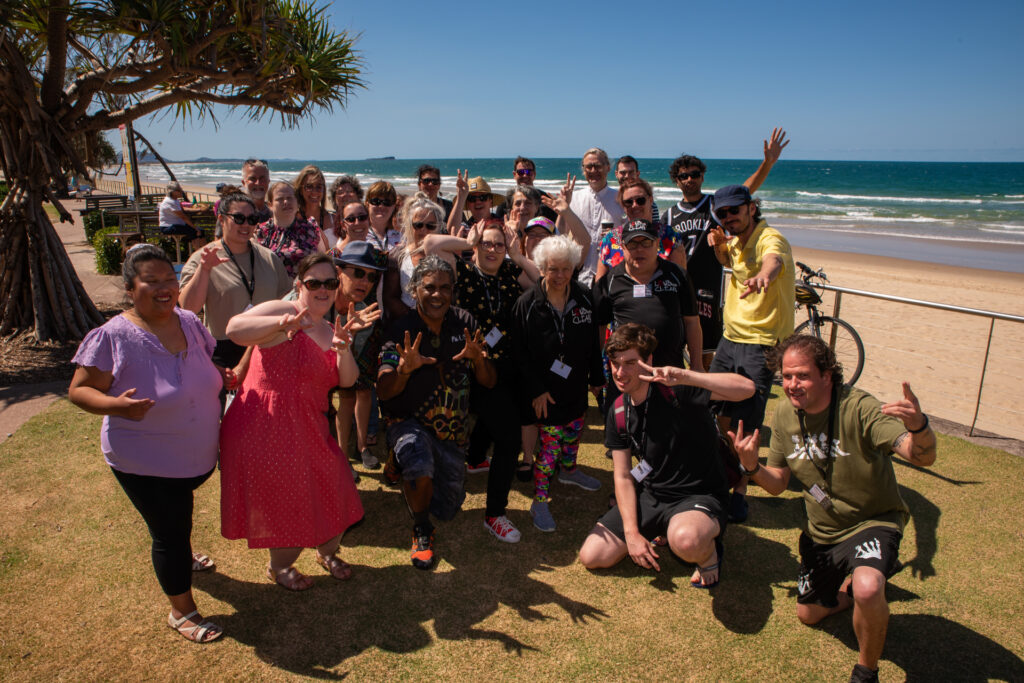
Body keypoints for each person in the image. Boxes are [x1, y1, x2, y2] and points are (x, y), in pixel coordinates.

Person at [732, 334, 937, 683]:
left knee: (871, 586)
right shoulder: (783, 413)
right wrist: (752, 467)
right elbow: (779, 483)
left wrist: (919, 427)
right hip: (823, 530)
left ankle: (866, 671)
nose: (793, 385)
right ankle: (852, 590)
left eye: (803, 375)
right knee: (809, 613)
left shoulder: (858, 408)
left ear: (827, 375)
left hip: (873, 520)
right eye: (787, 376)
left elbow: (922, 455)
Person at [68, 244, 230, 643]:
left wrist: (223, 376)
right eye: (151, 282)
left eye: (169, 280)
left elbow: (205, 364)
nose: (164, 289)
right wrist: (116, 406)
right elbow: (79, 390)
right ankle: (182, 612)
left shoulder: (189, 321)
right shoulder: (113, 336)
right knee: (170, 532)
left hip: (192, 456)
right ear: (129, 288)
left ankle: (183, 555)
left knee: (177, 516)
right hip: (144, 459)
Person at [220, 253, 373, 591]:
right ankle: (281, 566)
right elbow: (234, 329)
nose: (323, 289)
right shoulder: (285, 310)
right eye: (314, 282)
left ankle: (326, 551)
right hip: (266, 423)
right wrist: (281, 326)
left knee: (337, 484)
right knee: (287, 497)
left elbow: (347, 382)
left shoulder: (330, 328)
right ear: (299, 284)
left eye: (330, 283)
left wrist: (344, 349)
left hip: (309, 424)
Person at [577, 323, 754, 587]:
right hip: (653, 495)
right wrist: (633, 534)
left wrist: (688, 375)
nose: (620, 372)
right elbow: (624, 476)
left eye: (630, 362)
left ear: (649, 360)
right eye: (615, 363)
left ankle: (709, 554)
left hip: (699, 494)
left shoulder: (678, 389)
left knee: (686, 540)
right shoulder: (618, 410)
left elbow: (746, 388)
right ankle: (662, 530)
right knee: (592, 555)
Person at [424, 218, 539, 542]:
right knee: (508, 438)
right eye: (486, 243)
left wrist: (517, 255)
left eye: (498, 245)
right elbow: (432, 244)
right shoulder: (460, 272)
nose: (492, 250)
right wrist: (468, 240)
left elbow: (543, 283)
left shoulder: (509, 273)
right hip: (468, 368)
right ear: (475, 246)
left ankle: (474, 459)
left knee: (497, 415)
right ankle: (495, 514)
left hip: (506, 366)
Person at [377, 256, 496, 569]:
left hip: (452, 432)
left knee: (447, 508)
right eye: (429, 287)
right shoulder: (400, 329)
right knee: (419, 463)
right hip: (408, 422)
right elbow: (383, 389)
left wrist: (478, 360)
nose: (437, 294)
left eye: (445, 288)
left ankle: (398, 462)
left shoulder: (466, 323)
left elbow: (489, 381)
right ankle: (421, 529)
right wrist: (403, 371)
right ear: (414, 289)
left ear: (453, 291)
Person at [662, 128, 789, 370]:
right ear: (676, 181)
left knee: (707, 353)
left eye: (694, 174)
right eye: (683, 176)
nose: (689, 179)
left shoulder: (715, 206)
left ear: (702, 177)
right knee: (676, 347)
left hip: (708, 289)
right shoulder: (669, 215)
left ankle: (705, 400)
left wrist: (767, 163)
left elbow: (745, 191)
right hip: (678, 287)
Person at [708, 183, 795, 522]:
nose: (729, 217)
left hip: (761, 343)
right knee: (716, 411)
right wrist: (718, 248)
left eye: (735, 210)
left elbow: (773, 261)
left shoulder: (770, 238)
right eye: (723, 213)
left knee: (746, 422)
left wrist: (763, 276)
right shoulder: (733, 240)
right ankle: (725, 475)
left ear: (751, 208)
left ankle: (740, 490)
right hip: (730, 339)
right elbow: (727, 258)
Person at [511, 235, 605, 532]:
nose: (561, 275)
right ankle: (539, 499)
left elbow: (592, 342)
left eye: (566, 268)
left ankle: (571, 470)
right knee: (549, 449)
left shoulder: (585, 296)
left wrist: (597, 378)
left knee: (574, 433)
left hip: (576, 387)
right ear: (541, 268)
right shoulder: (526, 305)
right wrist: (537, 390)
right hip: (545, 392)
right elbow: (518, 353)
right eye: (553, 269)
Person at [179, 193, 294, 392]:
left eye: (252, 220)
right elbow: (188, 308)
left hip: (267, 345)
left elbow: (288, 301)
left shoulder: (269, 258)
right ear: (221, 219)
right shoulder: (203, 258)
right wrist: (204, 270)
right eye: (239, 218)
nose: (246, 225)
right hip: (223, 351)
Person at [594, 219, 703, 372]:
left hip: (671, 370)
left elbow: (692, 322)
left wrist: (697, 364)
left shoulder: (678, 275)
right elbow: (599, 328)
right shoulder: (609, 281)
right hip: (627, 374)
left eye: (646, 243)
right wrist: (596, 369)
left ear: (657, 243)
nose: (639, 249)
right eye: (632, 244)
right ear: (623, 247)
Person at [330, 241, 386, 470]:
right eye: (359, 273)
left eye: (372, 277)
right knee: (346, 397)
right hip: (329, 352)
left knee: (363, 391)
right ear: (339, 271)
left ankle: (362, 447)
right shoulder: (321, 298)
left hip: (364, 341)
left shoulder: (366, 309)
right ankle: (343, 456)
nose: (365, 282)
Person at [594, 177, 685, 282]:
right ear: (623, 206)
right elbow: (600, 287)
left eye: (640, 200)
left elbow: (681, 281)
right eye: (628, 202)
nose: (635, 205)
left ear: (650, 200)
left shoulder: (671, 236)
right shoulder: (610, 240)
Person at [381, 192, 445, 322]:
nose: (424, 230)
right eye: (418, 225)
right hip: (407, 323)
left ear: (438, 227)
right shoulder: (397, 256)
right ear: (410, 226)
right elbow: (390, 298)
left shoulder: (446, 256)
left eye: (430, 226)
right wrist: (416, 318)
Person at [569, 147, 620, 286]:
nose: (593, 171)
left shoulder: (620, 199)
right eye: (589, 167)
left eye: (597, 166)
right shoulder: (573, 198)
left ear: (608, 167)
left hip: (611, 274)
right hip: (578, 274)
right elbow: (561, 234)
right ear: (583, 170)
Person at [255, 181, 326, 278]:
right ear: (270, 205)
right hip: (272, 289)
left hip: (305, 288)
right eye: (280, 199)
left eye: (289, 198)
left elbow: (322, 259)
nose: (286, 202)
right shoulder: (260, 232)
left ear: (297, 202)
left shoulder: (311, 228)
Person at [495, 156, 557, 221]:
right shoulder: (505, 202)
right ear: (514, 174)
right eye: (521, 172)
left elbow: (557, 228)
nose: (525, 175)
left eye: (529, 172)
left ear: (534, 174)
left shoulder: (546, 200)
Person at [293, 164, 335, 249]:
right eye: (309, 186)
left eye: (319, 187)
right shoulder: (293, 220)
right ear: (301, 190)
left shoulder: (334, 220)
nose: (314, 192)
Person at [158, 181, 205, 253]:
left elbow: (182, 209)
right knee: (194, 231)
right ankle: (199, 254)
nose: (181, 192)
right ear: (173, 192)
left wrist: (198, 209)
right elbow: (183, 217)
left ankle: (205, 251)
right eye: (179, 190)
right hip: (168, 227)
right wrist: (194, 227)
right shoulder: (170, 201)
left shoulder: (175, 200)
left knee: (201, 231)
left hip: (176, 225)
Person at [614, 156, 660, 222]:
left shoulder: (647, 203)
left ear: (637, 174)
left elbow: (655, 228)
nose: (627, 176)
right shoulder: (610, 200)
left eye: (631, 172)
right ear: (616, 174)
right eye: (623, 173)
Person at [364, 181, 403, 253]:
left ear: (394, 206)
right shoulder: (359, 233)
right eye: (376, 201)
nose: (381, 206)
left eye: (387, 202)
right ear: (367, 204)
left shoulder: (402, 237)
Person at [327, 174, 364, 247]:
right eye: (340, 192)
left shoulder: (364, 220)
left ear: (358, 195)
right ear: (334, 198)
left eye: (350, 191)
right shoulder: (328, 220)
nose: (345, 195)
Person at [241, 158, 272, 223]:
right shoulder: (235, 212)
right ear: (243, 183)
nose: (258, 183)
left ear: (268, 181)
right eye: (252, 179)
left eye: (262, 178)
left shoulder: (275, 214)